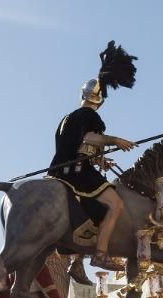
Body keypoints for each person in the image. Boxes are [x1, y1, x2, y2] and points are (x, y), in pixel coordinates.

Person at [47, 42, 138, 258]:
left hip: (58, 170)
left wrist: (101, 161)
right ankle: (101, 253)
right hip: (78, 173)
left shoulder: (67, 117)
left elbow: (80, 146)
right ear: (99, 101)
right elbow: (89, 138)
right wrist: (115, 140)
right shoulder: (91, 116)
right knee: (116, 205)